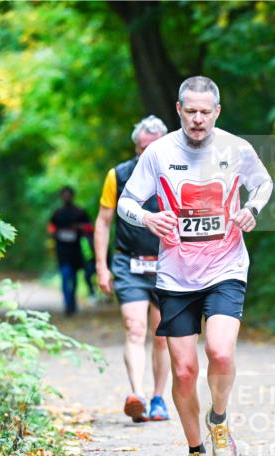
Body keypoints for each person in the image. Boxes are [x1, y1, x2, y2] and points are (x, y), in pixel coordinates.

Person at [117, 76, 273, 456]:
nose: (198, 119)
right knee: (184, 371)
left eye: (206, 111)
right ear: (179, 110)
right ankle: (194, 451)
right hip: (175, 275)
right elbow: (125, 203)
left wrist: (252, 209)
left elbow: (264, 183)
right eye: (191, 111)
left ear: (217, 112)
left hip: (226, 266)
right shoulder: (159, 152)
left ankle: (218, 419)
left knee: (220, 352)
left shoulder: (237, 148)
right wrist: (149, 217)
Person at [94, 115, 172, 423]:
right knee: (135, 327)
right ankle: (137, 395)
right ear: (135, 147)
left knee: (163, 335)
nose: (147, 154)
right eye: (142, 148)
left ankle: (158, 399)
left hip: (168, 263)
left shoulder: (178, 174)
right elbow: (103, 222)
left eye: (153, 147)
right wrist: (102, 267)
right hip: (129, 262)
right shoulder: (119, 175)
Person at [47, 186, 90, 315]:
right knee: (65, 276)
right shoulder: (57, 213)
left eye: (68, 195)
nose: (66, 197)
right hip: (62, 250)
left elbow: (89, 227)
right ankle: (67, 304)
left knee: (74, 277)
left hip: (76, 249)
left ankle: (72, 301)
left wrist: (77, 227)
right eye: (64, 195)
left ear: (72, 196)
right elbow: (50, 228)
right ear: (61, 197)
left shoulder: (80, 212)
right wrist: (57, 232)